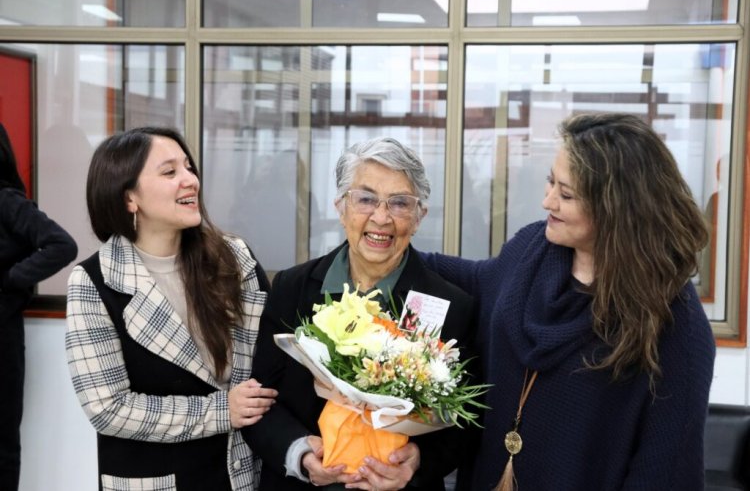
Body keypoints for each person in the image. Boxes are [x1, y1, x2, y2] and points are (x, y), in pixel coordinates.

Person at [423, 112, 716, 491]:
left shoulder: (676, 327)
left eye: (566, 194)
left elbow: (665, 472)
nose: (547, 201)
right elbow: (480, 280)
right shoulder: (532, 248)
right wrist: (392, 253)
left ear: (617, 207)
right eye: (550, 182)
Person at [242, 137, 477, 490]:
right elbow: (261, 401)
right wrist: (300, 454)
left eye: (399, 203)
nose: (381, 218)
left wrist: (417, 461)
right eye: (365, 199)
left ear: (419, 216)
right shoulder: (293, 288)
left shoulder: (448, 305)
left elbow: (464, 426)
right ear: (341, 207)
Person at [65, 127, 277, 491]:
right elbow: (108, 408)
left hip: (240, 473)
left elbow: (271, 358)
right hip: (152, 479)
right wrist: (222, 411)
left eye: (189, 167)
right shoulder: (92, 282)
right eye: (170, 172)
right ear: (129, 197)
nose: (190, 180)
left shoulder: (234, 258)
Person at [0, 123, 77, 491]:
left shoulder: (6, 201)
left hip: (1, 340)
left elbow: (61, 245)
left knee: (1, 444)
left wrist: (10, 280)